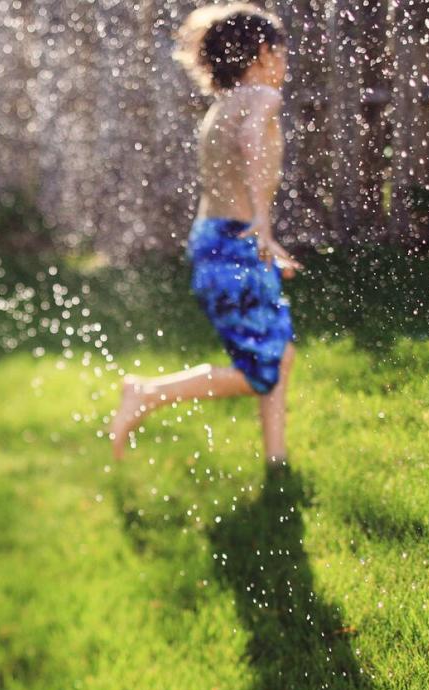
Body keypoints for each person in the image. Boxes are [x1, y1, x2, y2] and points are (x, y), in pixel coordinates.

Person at [109, 3, 301, 465]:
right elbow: (252, 139)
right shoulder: (261, 98)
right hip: (238, 241)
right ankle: (147, 393)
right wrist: (263, 225)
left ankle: (277, 459)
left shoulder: (221, 107)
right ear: (261, 53)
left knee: (281, 351)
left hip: (214, 240)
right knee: (260, 369)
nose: (287, 62)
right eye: (282, 51)